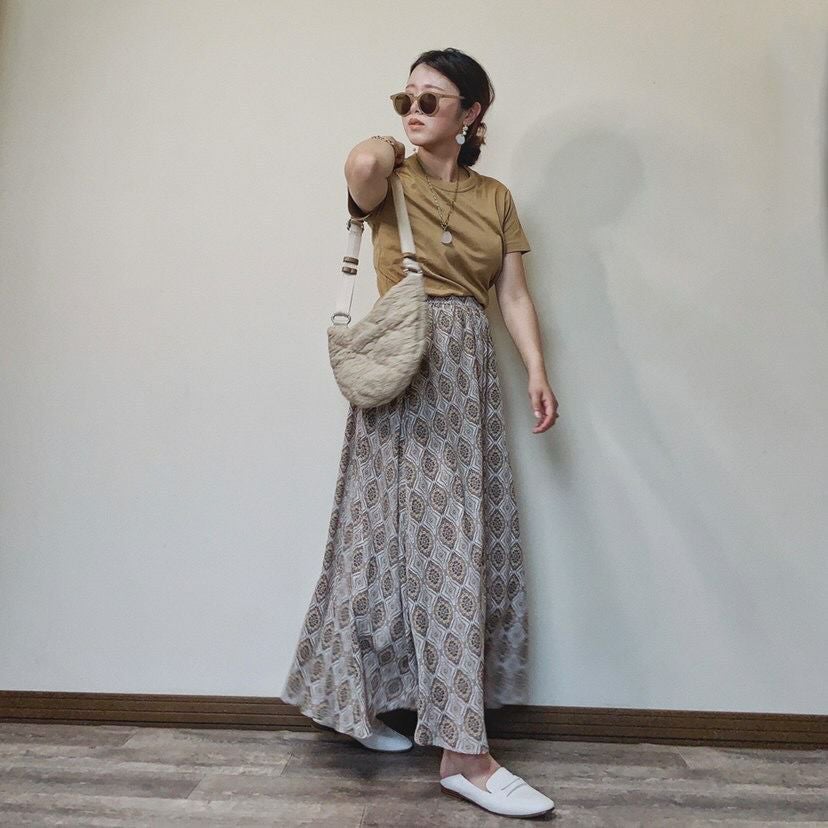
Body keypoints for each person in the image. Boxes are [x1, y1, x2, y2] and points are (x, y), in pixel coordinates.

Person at [281, 47, 559, 818]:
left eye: (433, 99)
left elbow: (512, 294)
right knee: (379, 543)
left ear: (472, 113)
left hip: (467, 374)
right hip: (405, 366)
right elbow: (360, 166)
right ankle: (455, 751)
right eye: (406, 95)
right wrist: (388, 139)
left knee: (453, 546)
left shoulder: (495, 196)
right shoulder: (390, 177)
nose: (414, 108)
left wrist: (536, 369)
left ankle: (433, 730)